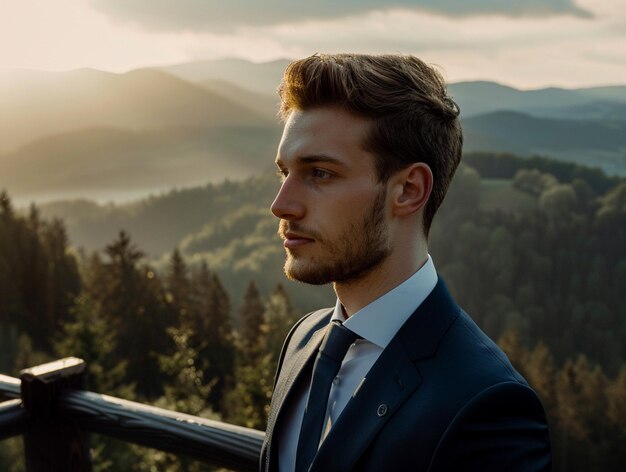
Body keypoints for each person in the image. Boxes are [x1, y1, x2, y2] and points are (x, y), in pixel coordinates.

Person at [261, 53, 551, 472]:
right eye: (283, 172)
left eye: (320, 173)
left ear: (409, 190)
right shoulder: (303, 341)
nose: (280, 205)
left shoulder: (487, 405)